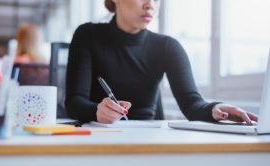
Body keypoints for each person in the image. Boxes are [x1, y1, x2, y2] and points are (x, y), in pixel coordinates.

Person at [66, 0, 258, 124]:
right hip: (98, 134)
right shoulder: (87, 35)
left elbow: (192, 105)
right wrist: (96, 111)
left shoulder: (167, 47)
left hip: (149, 138)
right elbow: (74, 102)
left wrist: (214, 109)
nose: (151, 4)